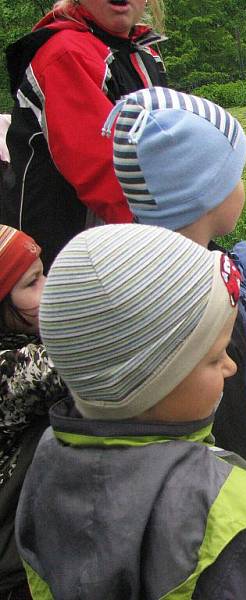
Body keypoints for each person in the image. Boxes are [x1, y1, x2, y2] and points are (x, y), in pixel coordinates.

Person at [15, 224, 246, 599]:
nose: (230, 367)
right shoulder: (228, 522)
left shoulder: (49, 455)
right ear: (155, 381)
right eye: (215, 355)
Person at [102, 87, 246, 472]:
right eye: (237, 174)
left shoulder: (136, 262)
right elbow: (225, 285)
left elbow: (227, 277)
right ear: (208, 194)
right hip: (217, 463)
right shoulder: (208, 291)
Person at [2, 0, 168, 271]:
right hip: (60, 256)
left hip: (116, 239)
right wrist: (179, 246)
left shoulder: (143, 51)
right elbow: (107, 176)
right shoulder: (65, 53)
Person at [0, 226, 69, 600]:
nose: (49, 287)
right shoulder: (11, 371)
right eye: (32, 282)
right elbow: (77, 350)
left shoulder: (23, 340)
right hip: (15, 571)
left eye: (45, 273)